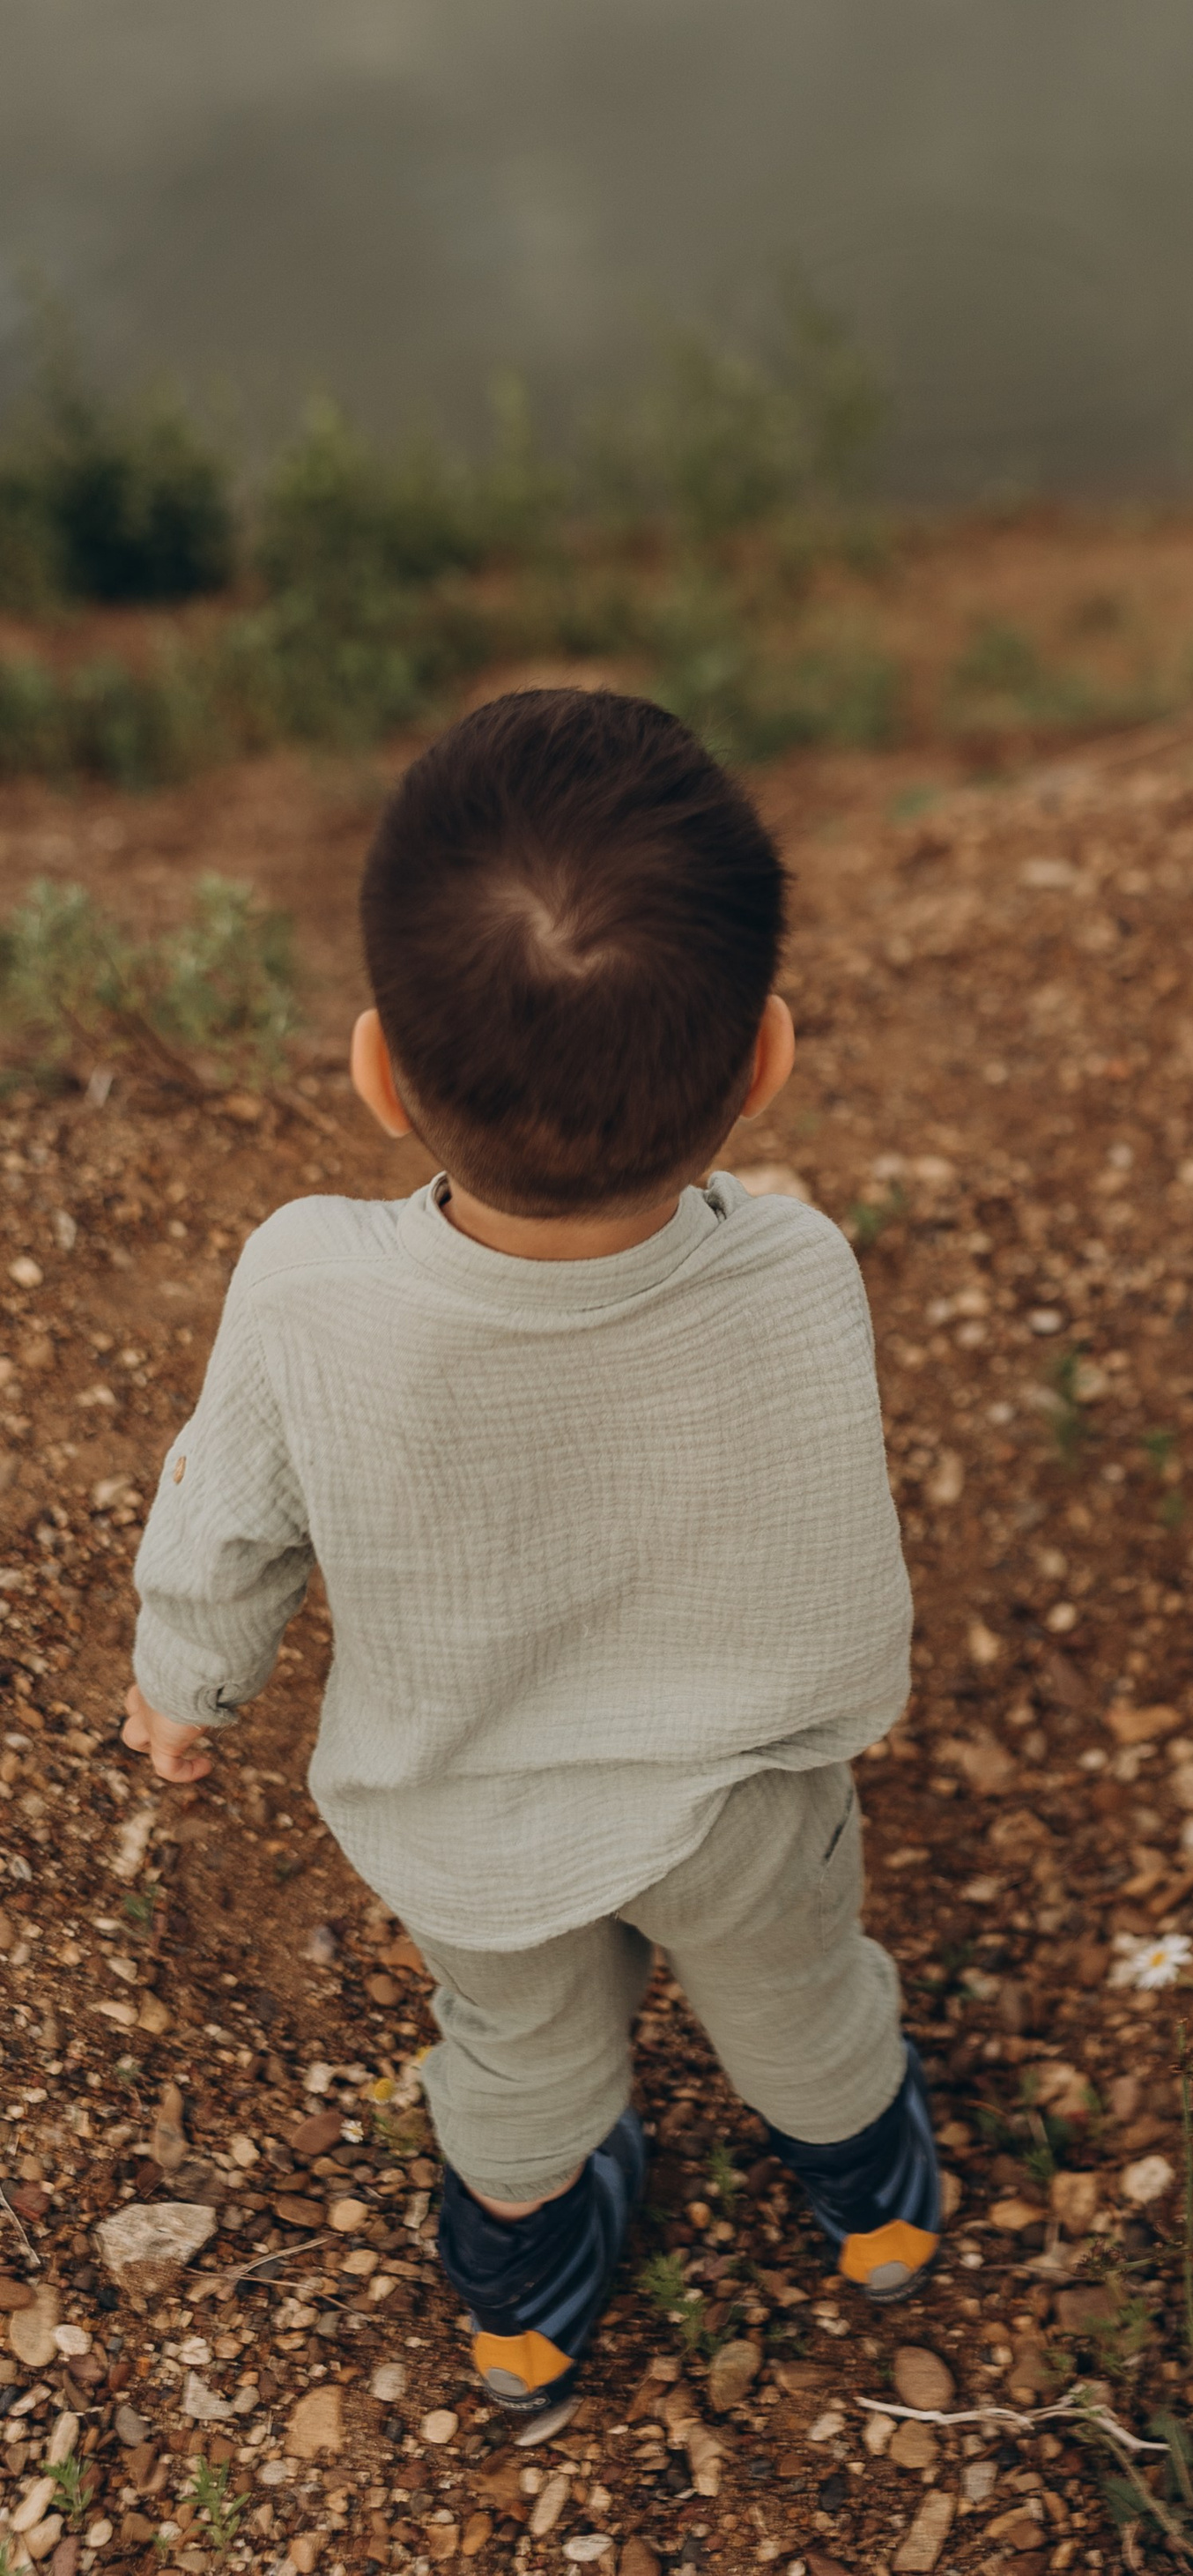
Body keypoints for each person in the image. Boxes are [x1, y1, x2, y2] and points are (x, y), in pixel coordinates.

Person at [120, 688, 937, 2414]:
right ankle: (872, 2205)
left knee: (516, 2049)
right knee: (799, 1998)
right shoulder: (795, 1271)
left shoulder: (307, 1286)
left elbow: (228, 1524)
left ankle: (517, 2291)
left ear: (375, 1076)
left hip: (466, 1812)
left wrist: (182, 1689)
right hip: (741, 1798)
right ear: (764, 1064)